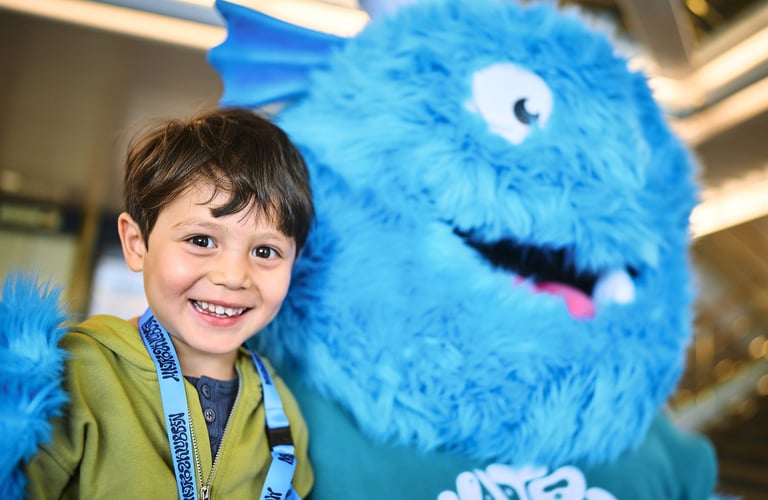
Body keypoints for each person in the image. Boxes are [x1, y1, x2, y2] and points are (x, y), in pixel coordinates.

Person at [24, 107, 315, 499]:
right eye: (201, 241)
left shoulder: (283, 414)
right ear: (136, 244)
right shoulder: (73, 373)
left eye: (265, 251)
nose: (233, 276)